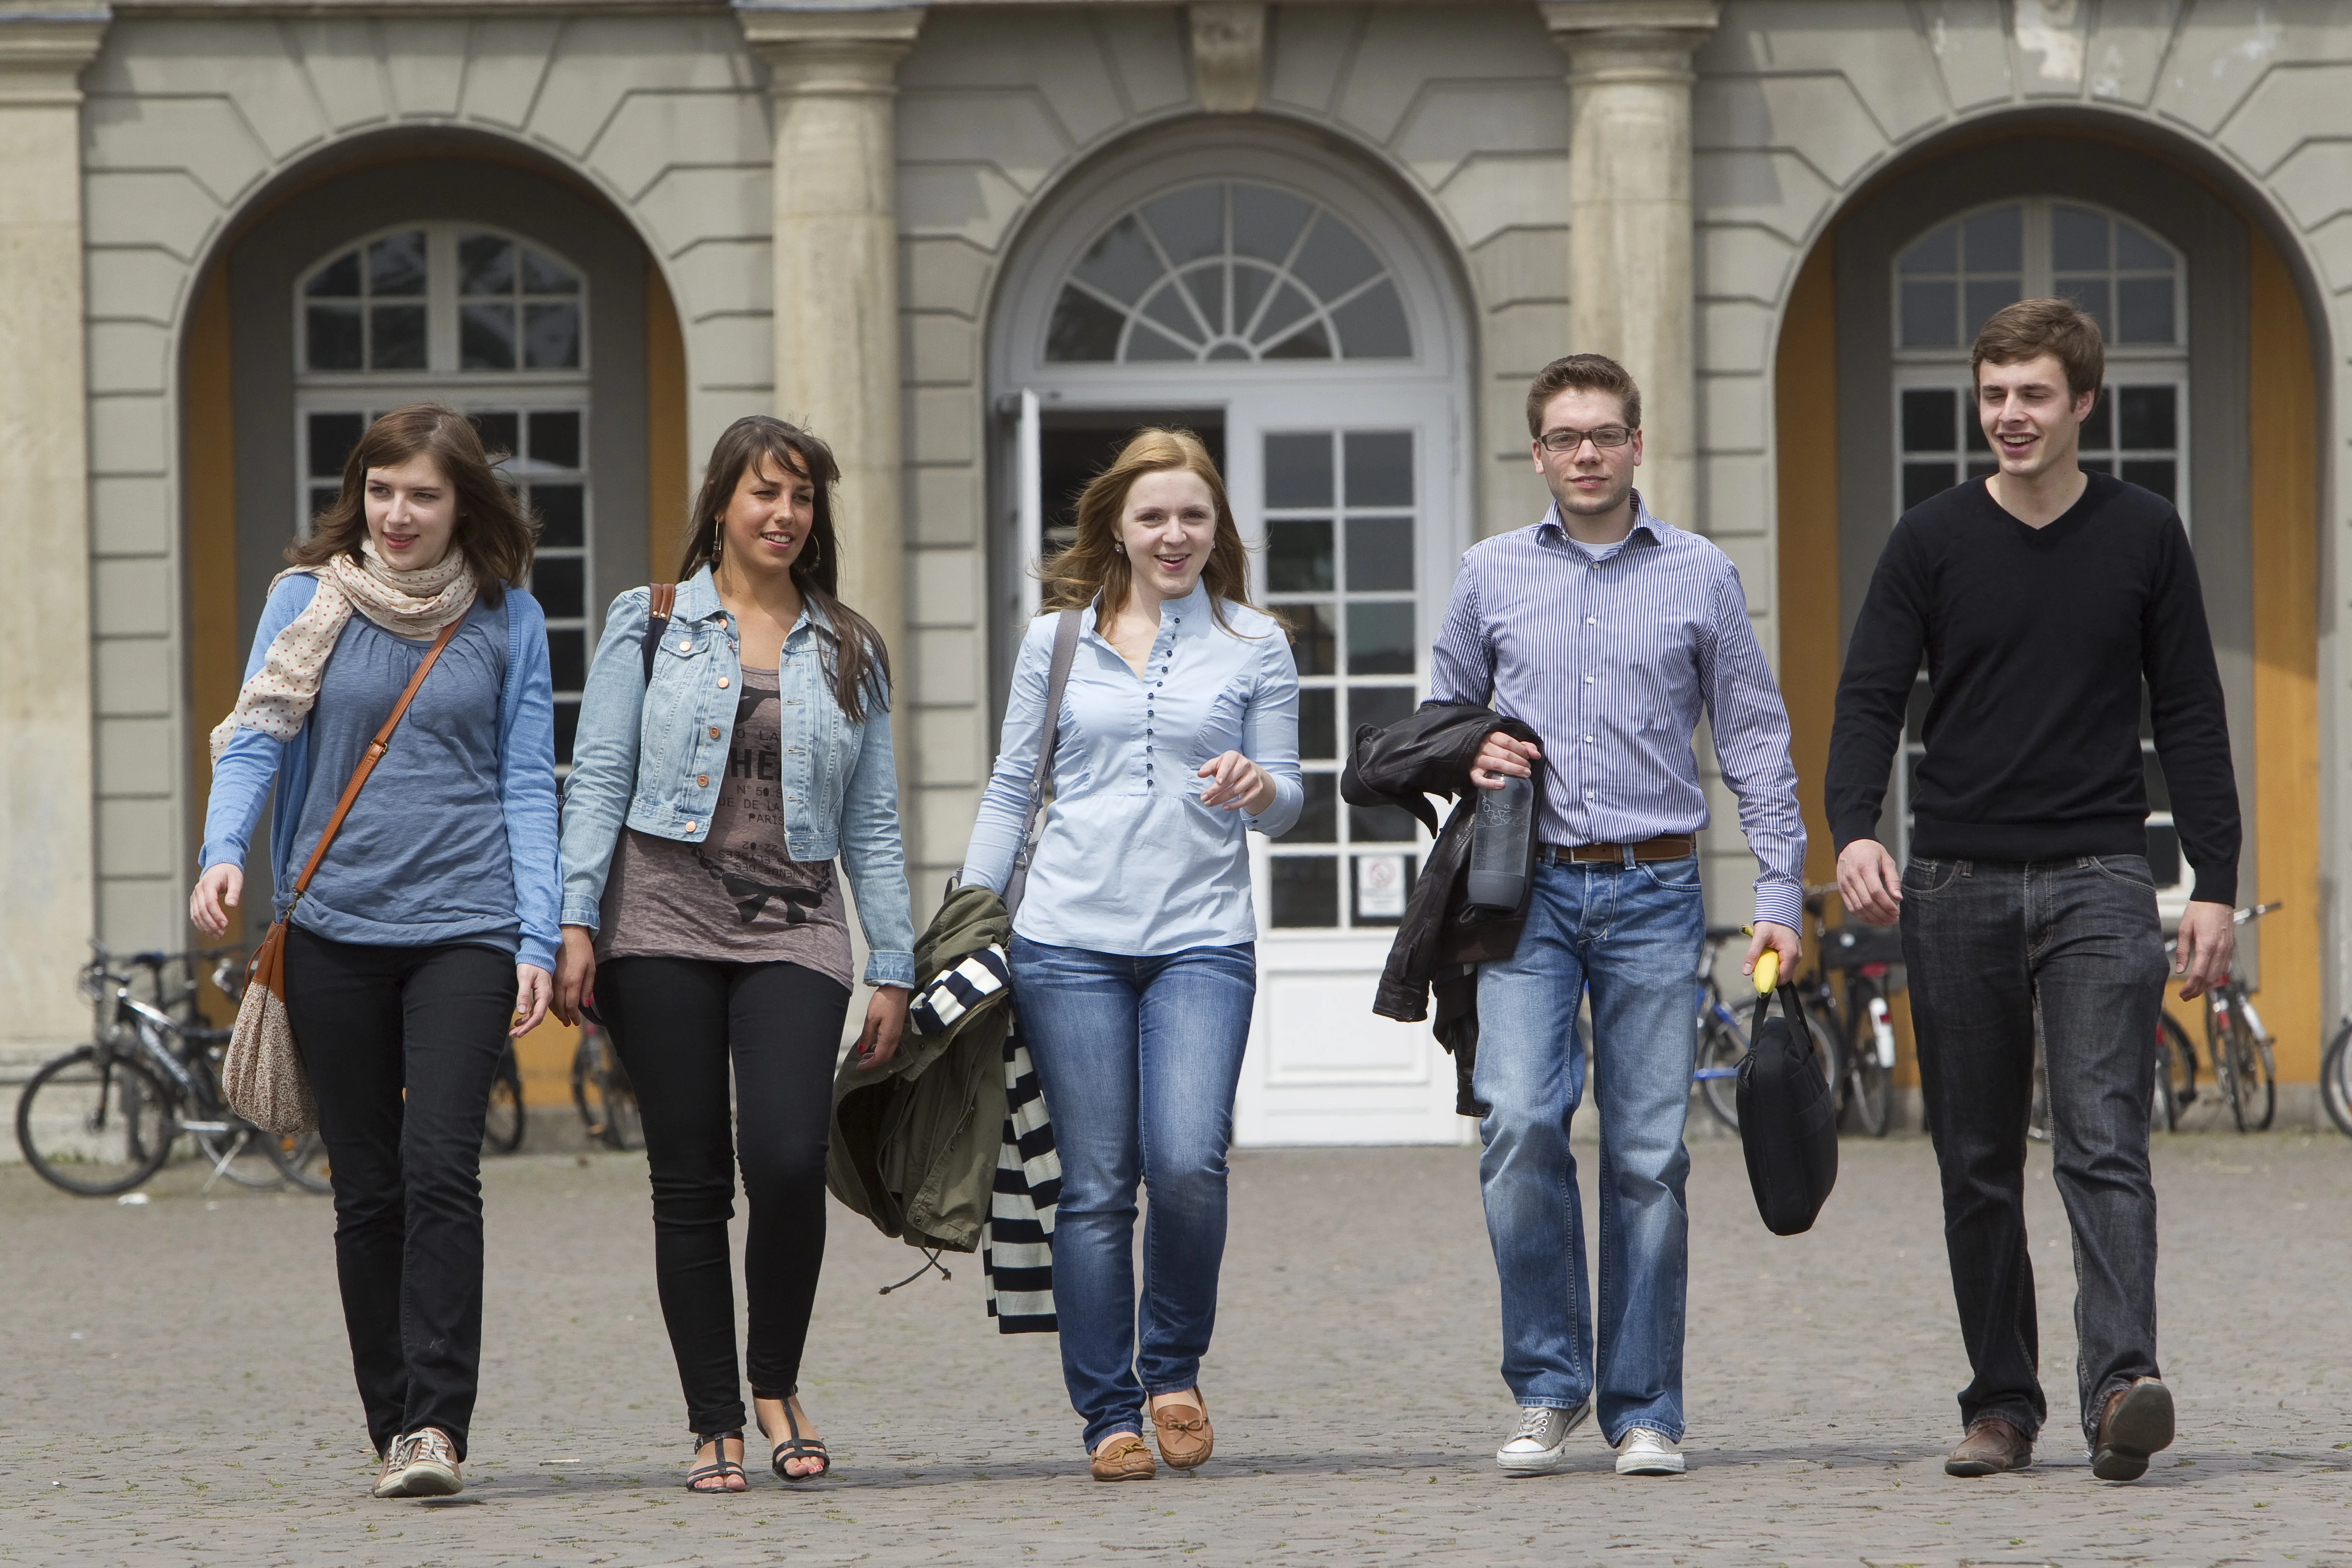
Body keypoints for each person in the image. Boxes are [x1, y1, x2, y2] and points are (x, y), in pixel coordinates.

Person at [1826, 298, 2238, 1483]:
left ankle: (2120, 1389)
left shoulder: (2145, 534)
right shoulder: (1931, 539)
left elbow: (2192, 714)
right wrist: (1856, 828)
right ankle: (2002, 1404)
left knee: (2105, 1140)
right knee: (1974, 1159)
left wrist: (2214, 878)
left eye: (2034, 396)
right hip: (1951, 881)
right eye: (1995, 395)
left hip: (2103, 876)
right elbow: (1867, 699)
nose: (2011, 416)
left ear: (2083, 405)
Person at [1432, 354, 1806, 1478]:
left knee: (1649, 1155)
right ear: (1538, 453)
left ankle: (1646, 1407)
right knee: (1518, 1124)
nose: (1585, 454)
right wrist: (1468, 744)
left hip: (1654, 887)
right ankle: (1549, 1385)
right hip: (1527, 890)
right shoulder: (1489, 574)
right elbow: (1438, 716)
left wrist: (1778, 897)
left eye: (1604, 434)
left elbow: (1755, 741)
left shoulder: (1699, 575)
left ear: (1639, 444)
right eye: (1564, 438)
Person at [191, 404, 559, 1500]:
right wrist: (224, 853)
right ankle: (391, 1420)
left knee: (443, 1166)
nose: (399, 515)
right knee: (367, 1187)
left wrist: (537, 931)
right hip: (331, 926)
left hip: (466, 926)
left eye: (424, 495)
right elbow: (257, 732)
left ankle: (439, 1426)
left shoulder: (509, 620)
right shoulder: (305, 604)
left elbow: (527, 784)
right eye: (383, 491)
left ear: (464, 506)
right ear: (360, 494)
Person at [552, 416, 915, 1492]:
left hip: (795, 930)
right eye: (765, 494)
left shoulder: (848, 645)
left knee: (790, 1158)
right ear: (722, 504)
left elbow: (875, 820)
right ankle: (714, 1416)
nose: (784, 515)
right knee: (691, 1175)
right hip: (657, 923)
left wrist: (891, 961)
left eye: (801, 498)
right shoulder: (651, 623)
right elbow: (601, 774)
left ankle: (777, 1380)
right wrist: (574, 921)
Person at [959, 429, 1302, 1482]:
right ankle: (1108, 1413)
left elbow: (1291, 801)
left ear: (1216, 530)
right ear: (1117, 523)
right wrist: (967, 922)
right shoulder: (1057, 640)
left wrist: (1260, 788)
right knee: (1099, 1183)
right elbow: (1016, 784)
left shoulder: (1257, 643)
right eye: (1153, 515)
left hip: (1203, 938)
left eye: (1193, 516)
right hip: (1069, 942)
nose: (1173, 534)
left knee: (1190, 1164)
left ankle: (1173, 1373)